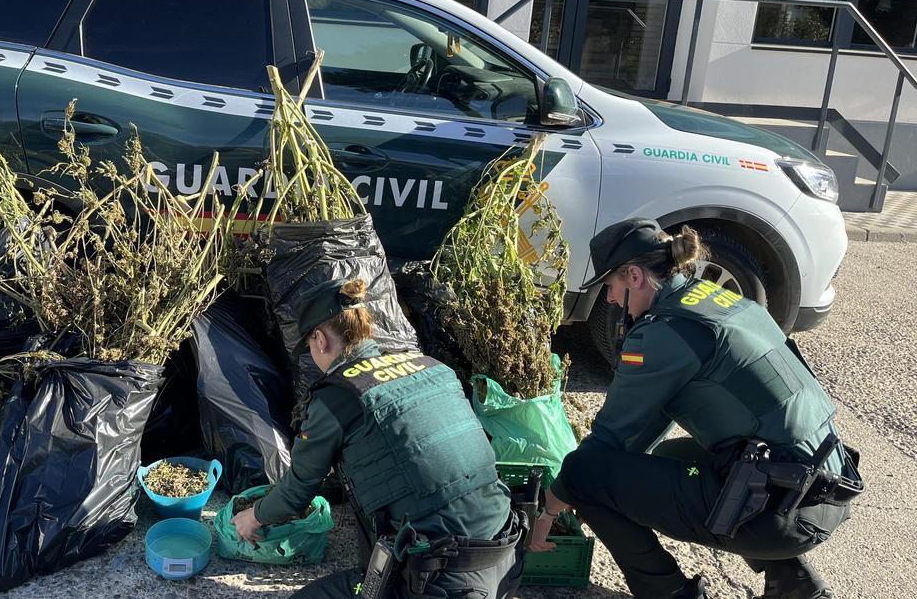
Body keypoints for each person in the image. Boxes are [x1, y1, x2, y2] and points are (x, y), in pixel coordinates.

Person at [528, 219, 864, 599]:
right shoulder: (717, 300)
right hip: (823, 487)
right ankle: (794, 583)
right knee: (668, 456)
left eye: (610, 286)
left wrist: (549, 510)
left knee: (585, 473)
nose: (608, 299)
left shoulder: (664, 332)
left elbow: (608, 438)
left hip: (781, 516)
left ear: (634, 276)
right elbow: (644, 428)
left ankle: (670, 593)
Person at [231, 277, 525, 598]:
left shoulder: (337, 398)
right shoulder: (432, 366)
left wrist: (254, 516)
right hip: (505, 553)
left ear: (319, 339)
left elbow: (297, 492)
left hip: (441, 578)